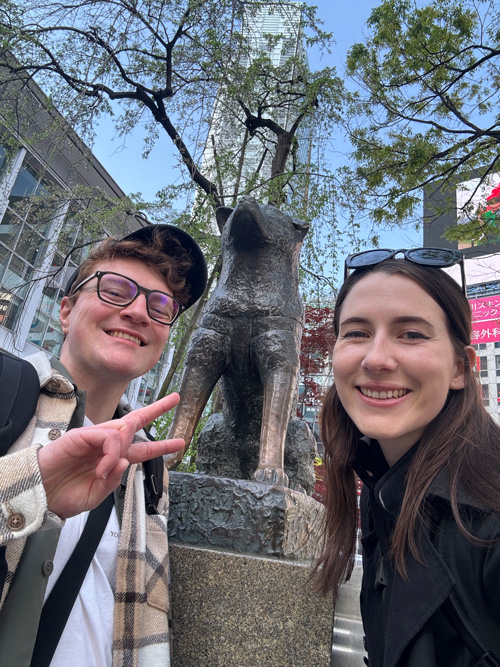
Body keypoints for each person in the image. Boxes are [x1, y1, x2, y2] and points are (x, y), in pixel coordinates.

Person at [0, 223, 207, 666]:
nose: (138, 312)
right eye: (115, 290)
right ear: (66, 311)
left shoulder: (150, 467)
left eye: (161, 304)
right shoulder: (3, 390)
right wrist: (29, 486)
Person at [313, 248, 500, 667]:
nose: (376, 358)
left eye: (411, 334)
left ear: (460, 368)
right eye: (357, 333)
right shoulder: (379, 486)